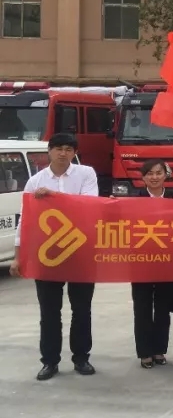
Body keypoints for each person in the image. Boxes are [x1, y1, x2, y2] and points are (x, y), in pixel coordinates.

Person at [9, 133, 100, 381]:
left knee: (82, 309)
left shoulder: (86, 174)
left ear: (74, 153)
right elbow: (25, 221)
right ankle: (49, 361)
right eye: (58, 148)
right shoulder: (35, 181)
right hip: (46, 255)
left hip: (80, 251)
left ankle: (81, 358)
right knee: (49, 312)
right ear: (49, 151)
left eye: (68, 149)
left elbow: (89, 204)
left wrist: (53, 197)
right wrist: (18, 256)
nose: (63, 153)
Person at [131, 159, 173, 369]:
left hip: (167, 263)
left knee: (162, 309)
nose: (154, 177)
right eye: (149, 173)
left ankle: (159, 350)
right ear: (143, 178)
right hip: (140, 263)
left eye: (158, 173)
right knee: (142, 308)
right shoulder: (133, 201)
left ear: (165, 175)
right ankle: (144, 353)